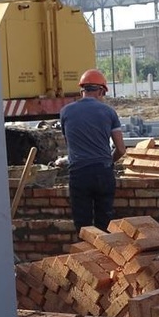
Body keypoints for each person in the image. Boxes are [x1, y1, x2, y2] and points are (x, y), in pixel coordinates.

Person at [60, 69, 126, 233]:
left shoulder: (65, 112)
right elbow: (121, 149)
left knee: (83, 227)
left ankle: (85, 249)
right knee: (104, 226)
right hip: (103, 172)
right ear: (101, 91)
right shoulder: (109, 112)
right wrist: (109, 161)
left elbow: (69, 144)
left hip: (78, 173)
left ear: (81, 90)